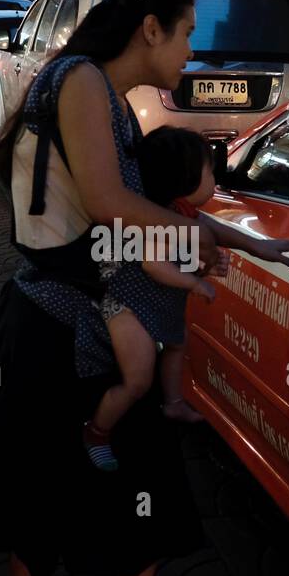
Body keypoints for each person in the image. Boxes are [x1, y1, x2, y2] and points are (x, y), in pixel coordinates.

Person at [0, 0, 289, 576]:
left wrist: (250, 244)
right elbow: (110, 204)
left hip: (99, 320)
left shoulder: (109, 98)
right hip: (58, 322)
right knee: (45, 489)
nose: (191, 52)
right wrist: (196, 245)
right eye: (186, 34)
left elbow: (158, 205)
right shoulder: (79, 80)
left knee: (135, 496)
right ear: (149, 28)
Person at [82, 125, 219, 472]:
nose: (215, 178)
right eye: (210, 171)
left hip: (155, 298)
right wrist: (194, 283)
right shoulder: (160, 217)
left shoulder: (183, 212)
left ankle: (172, 402)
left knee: (176, 343)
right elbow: (154, 264)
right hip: (125, 300)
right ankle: (97, 431)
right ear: (184, 177)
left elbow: (198, 244)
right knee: (139, 378)